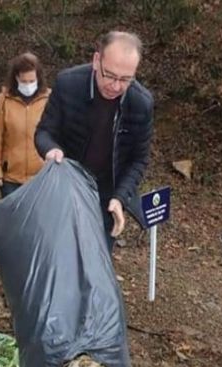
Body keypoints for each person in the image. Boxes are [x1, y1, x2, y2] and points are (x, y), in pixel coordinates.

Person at [35, 31, 153, 252]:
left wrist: (120, 198)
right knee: (56, 256)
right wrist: (51, 150)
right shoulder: (68, 83)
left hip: (106, 199)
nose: (116, 86)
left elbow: (139, 159)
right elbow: (44, 132)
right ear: (96, 60)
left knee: (95, 266)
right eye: (110, 75)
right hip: (64, 188)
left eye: (126, 79)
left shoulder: (141, 103)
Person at [0, 52, 51, 197]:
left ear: (38, 78)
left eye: (31, 81)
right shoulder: (3, 100)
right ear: (16, 78)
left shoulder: (50, 99)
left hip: (42, 177)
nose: (28, 85)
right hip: (11, 177)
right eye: (24, 81)